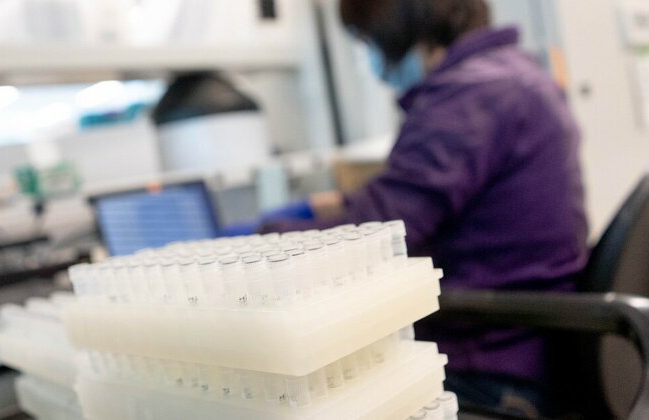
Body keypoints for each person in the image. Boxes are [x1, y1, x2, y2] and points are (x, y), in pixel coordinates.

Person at [251, 0, 589, 416]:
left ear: (399, 24)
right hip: (532, 346)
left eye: (367, 41)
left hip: (487, 365)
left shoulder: (470, 96)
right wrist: (325, 206)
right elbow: (416, 194)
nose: (371, 58)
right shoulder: (512, 74)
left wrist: (259, 238)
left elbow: (379, 232)